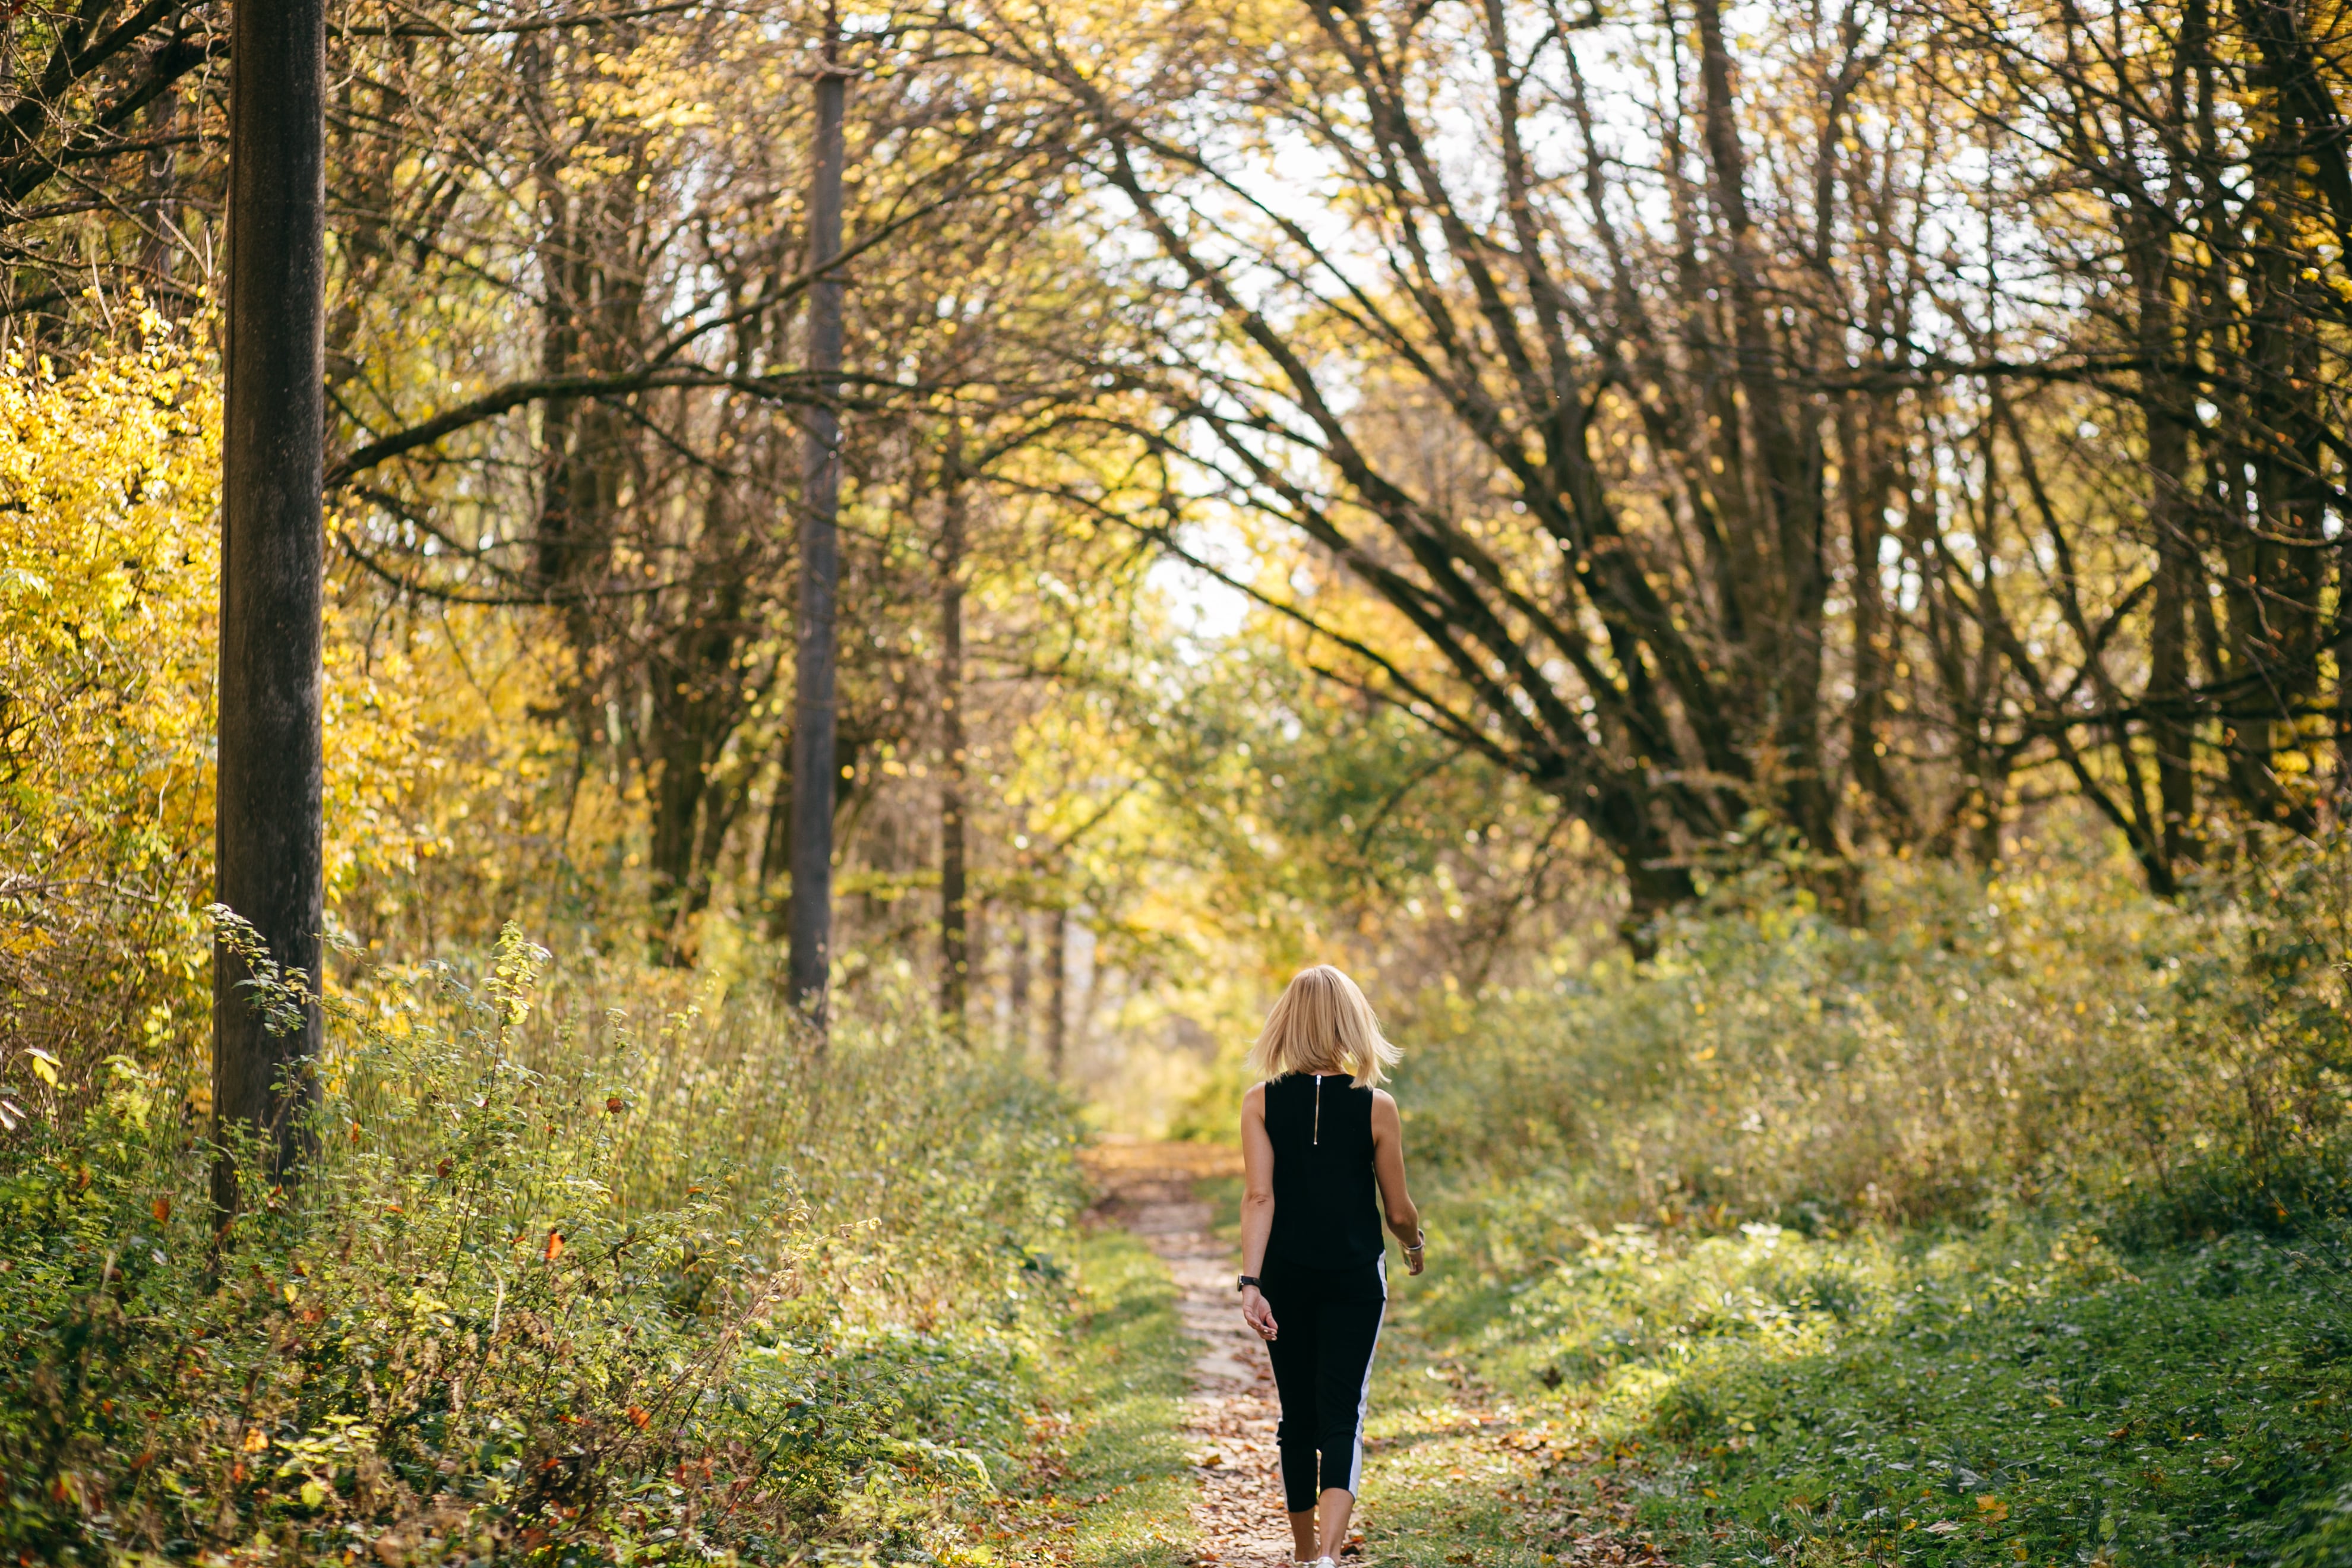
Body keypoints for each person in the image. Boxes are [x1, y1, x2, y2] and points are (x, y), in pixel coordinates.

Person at [1237, 965, 1425, 1568]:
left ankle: (1301, 1552)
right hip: (1353, 1279)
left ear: (1286, 1022)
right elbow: (1397, 1210)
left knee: (1298, 1416)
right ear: (1351, 1021)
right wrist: (1414, 1242)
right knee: (1344, 1413)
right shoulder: (1377, 1106)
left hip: (1286, 1276)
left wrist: (1252, 1282)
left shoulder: (1259, 1102)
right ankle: (1328, 1557)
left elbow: (1259, 1197)